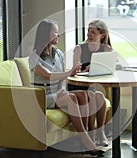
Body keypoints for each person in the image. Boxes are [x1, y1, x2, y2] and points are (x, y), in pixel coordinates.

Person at [28, 19, 104, 156]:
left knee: (84, 95)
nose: (59, 34)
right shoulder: (34, 57)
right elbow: (48, 75)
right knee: (71, 99)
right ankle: (85, 139)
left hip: (57, 93)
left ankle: (86, 137)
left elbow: (62, 78)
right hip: (42, 96)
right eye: (55, 32)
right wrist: (70, 72)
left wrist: (63, 88)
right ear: (46, 34)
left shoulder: (58, 54)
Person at [70, 19, 112, 147]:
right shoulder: (79, 48)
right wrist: (85, 68)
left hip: (91, 88)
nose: (89, 34)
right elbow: (75, 70)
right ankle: (92, 135)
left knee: (100, 97)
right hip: (77, 86)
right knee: (94, 96)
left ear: (102, 35)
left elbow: (110, 67)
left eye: (93, 32)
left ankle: (101, 133)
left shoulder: (107, 49)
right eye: (88, 30)